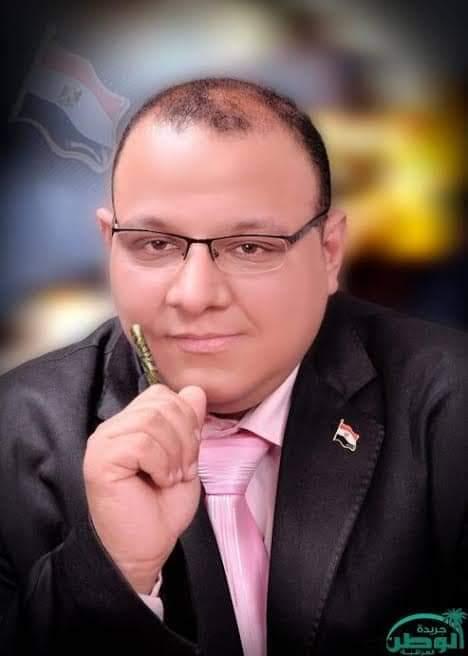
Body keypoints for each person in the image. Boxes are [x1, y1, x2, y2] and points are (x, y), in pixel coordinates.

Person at [0, 78, 466, 656]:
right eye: (155, 244)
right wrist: (114, 571)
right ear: (109, 244)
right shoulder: (14, 434)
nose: (195, 295)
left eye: (251, 247)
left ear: (329, 252)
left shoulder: (451, 407)